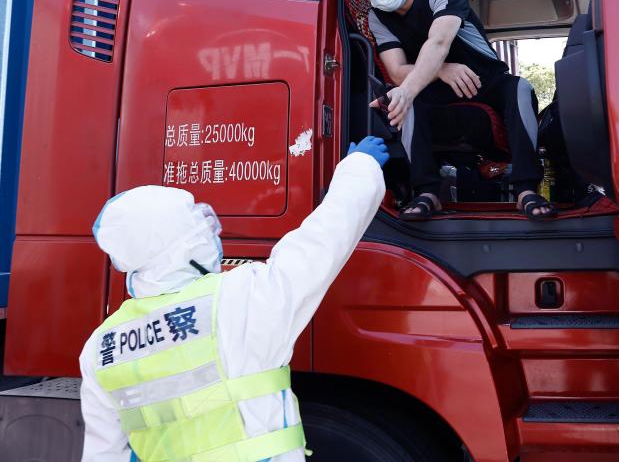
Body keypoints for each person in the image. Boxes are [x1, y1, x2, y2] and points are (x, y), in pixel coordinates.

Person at [78, 137, 389, 462]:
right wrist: (359, 168)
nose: (214, 235)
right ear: (182, 246)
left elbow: (103, 453)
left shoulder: (101, 348)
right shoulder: (240, 299)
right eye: (200, 228)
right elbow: (323, 240)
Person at [352, 0, 556, 220]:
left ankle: (526, 190)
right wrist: (440, 71)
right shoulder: (377, 18)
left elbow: (438, 41)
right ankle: (426, 193)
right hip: (437, 90)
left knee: (519, 88)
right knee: (407, 102)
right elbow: (397, 71)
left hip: (485, 80)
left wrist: (410, 86)